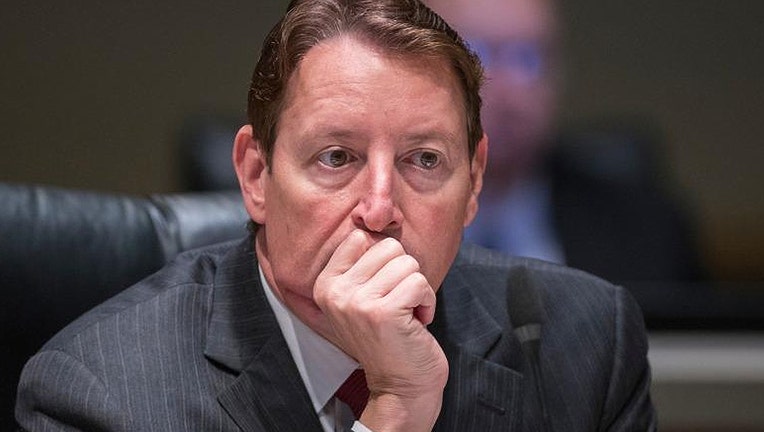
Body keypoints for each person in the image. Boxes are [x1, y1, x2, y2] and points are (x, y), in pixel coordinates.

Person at [16, 0, 656, 430]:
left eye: (425, 160)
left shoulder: (587, 343)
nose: (380, 211)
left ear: (474, 181)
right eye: (336, 157)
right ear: (256, 175)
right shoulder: (100, 396)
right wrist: (396, 409)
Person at [427, 0, 704, 284]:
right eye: (476, 55)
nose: (505, 87)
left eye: (526, 59)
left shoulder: (647, 227)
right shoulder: (387, 216)